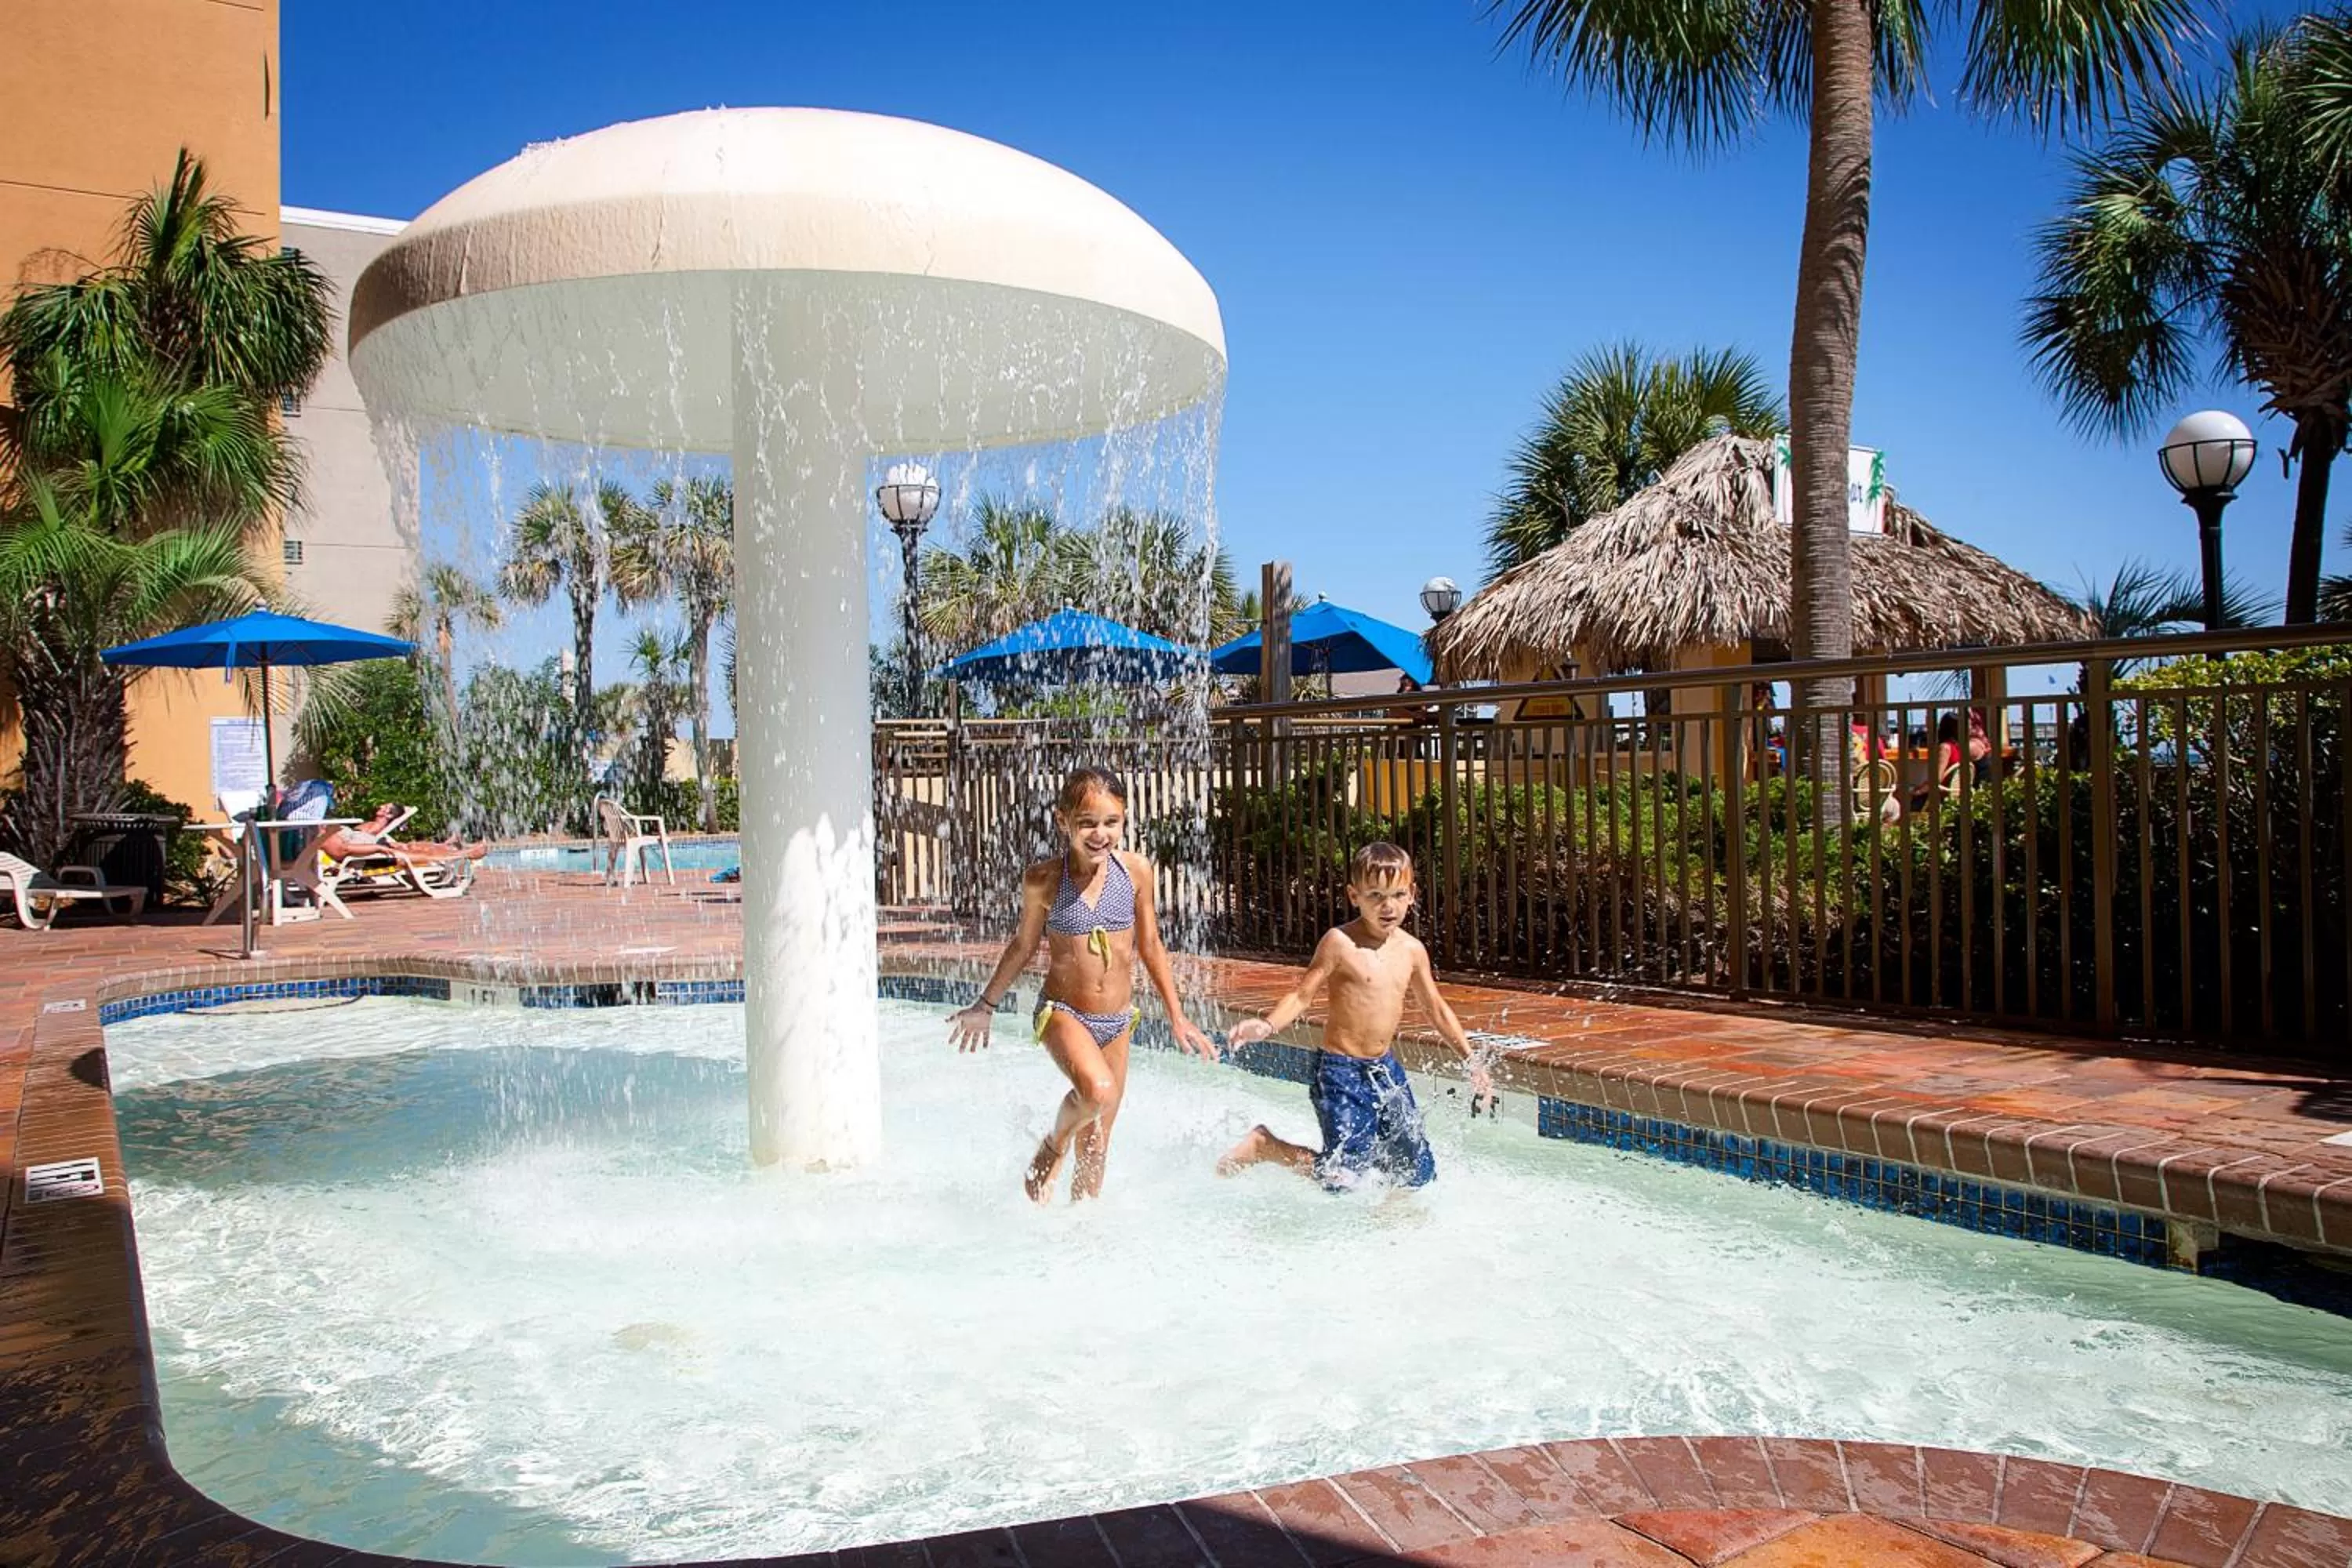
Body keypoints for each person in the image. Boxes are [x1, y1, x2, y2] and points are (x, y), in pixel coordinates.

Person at [946, 766, 1218, 1202]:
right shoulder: (1044, 879)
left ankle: (1081, 1233)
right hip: (1063, 1012)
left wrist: (1177, 1015)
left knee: (1097, 1140)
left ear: (1125, 819)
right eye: (1087, 823)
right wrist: (986, 1004)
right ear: (1063, 821)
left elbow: (1150, 945)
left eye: (1111, 822)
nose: (1100, 834)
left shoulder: (1135, 872)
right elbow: (1023, 946)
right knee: (1097, 1091)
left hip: (1117, 1020)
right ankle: (1054, 1144)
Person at [1216, 841, 1493, 1192]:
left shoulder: (1411, 951)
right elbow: (1302, 995)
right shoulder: (1339, 943)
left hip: (1385, 1070)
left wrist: (1472, 1062)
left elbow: (1436, 1008)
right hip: (1341, 1072)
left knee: (1416, 1172)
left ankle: (1393, 1227)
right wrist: (1268, 1024)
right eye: (1375, 895)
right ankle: (1266, 1146)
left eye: (1397, 894)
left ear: (1412, 895)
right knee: (1343, 1177)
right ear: (1354, 895)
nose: (1387, 905)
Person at [319, 804, 488, 866]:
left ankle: (456, 849)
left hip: (370, 849)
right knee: (417, 852)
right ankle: (465, 854)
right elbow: (342, 851)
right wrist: (377, 847)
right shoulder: (323, 835)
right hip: (368, 855)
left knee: (413, 848)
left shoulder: (322, 831)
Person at [1910, 713, 1965, 812]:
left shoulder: (1945, 748)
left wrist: (1918, 791)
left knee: (1906, 794)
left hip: (1941, 793)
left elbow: (1936, 779)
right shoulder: (1959, 748)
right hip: (1955, 792)